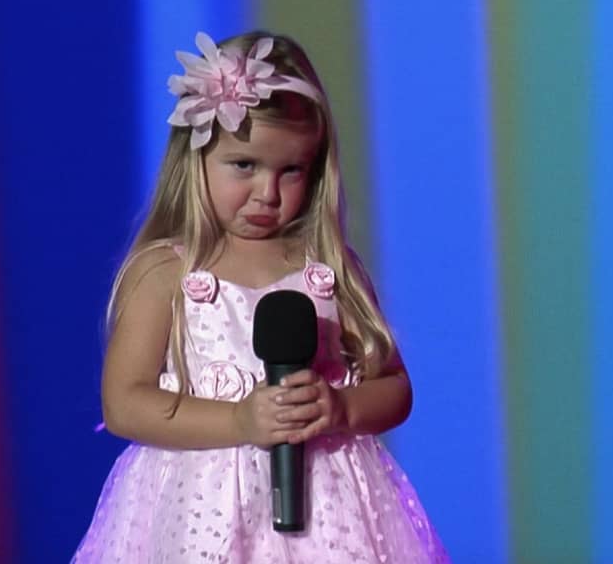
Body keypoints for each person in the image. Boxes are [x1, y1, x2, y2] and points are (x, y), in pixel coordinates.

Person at [72, 30, 449, 563]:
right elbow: (125, 404)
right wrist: (238, 422)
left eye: (291, 170)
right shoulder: (168, 272)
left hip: (325, 514)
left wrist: (341, 407)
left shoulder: (329, 271)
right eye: (244, 165)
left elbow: (394, 387)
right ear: (195, 157)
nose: (268, 194)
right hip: (200, 518)